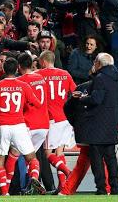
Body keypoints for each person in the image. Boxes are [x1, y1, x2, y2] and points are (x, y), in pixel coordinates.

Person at [0, 58, 46, 195]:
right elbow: (38, 103)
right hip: (19, 126)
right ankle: (34, 177)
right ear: (17, 69)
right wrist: (25, 105)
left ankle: (5, 193)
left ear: (3, 69)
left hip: (3, 126)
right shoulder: (24, 86)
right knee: (32, 158)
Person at [72, 53, 118, 195]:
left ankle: (101, 188)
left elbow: (97, 99)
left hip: (97, 124)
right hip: (111, 123)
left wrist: (82, 97)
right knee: (111, 159)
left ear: (99, 64)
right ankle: (115, 188)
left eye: (95, 62)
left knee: (97, 159)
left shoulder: (100, 78)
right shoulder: (116, 78)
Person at [37, 50, 76, 192]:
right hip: (65, 119)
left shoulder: (39, 75)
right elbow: (75, 92)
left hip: (51, 120)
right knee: (59, 154)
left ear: (43, 61)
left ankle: (68, 173)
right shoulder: (65, 74)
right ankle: (63, 186)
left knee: (48, 154)